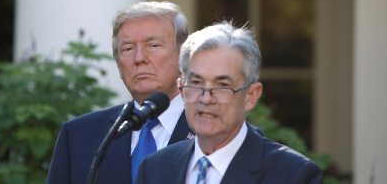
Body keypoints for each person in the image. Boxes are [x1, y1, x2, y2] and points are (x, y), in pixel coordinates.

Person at [135, 21, 323, 184]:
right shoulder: (154, 169)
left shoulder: (293, 175)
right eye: (196, 83)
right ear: (182, 92)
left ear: (251, 96)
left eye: (222, 85)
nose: (206, 98)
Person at [46, 1, 194, 184]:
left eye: (153, 45)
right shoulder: (78, 136)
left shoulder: (213, 129)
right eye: (128, 49)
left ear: (184, 58)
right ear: (118, 65)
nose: (139, 58)